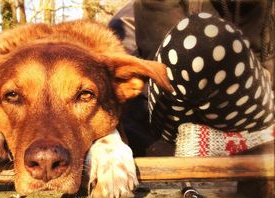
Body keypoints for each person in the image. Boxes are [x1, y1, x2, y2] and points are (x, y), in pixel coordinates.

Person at [109, 0, 274, 157]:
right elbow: (163, 65)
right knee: (200, 35)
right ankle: (237, 141)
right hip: (176, 104)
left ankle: (231, 141)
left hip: (252, 104)